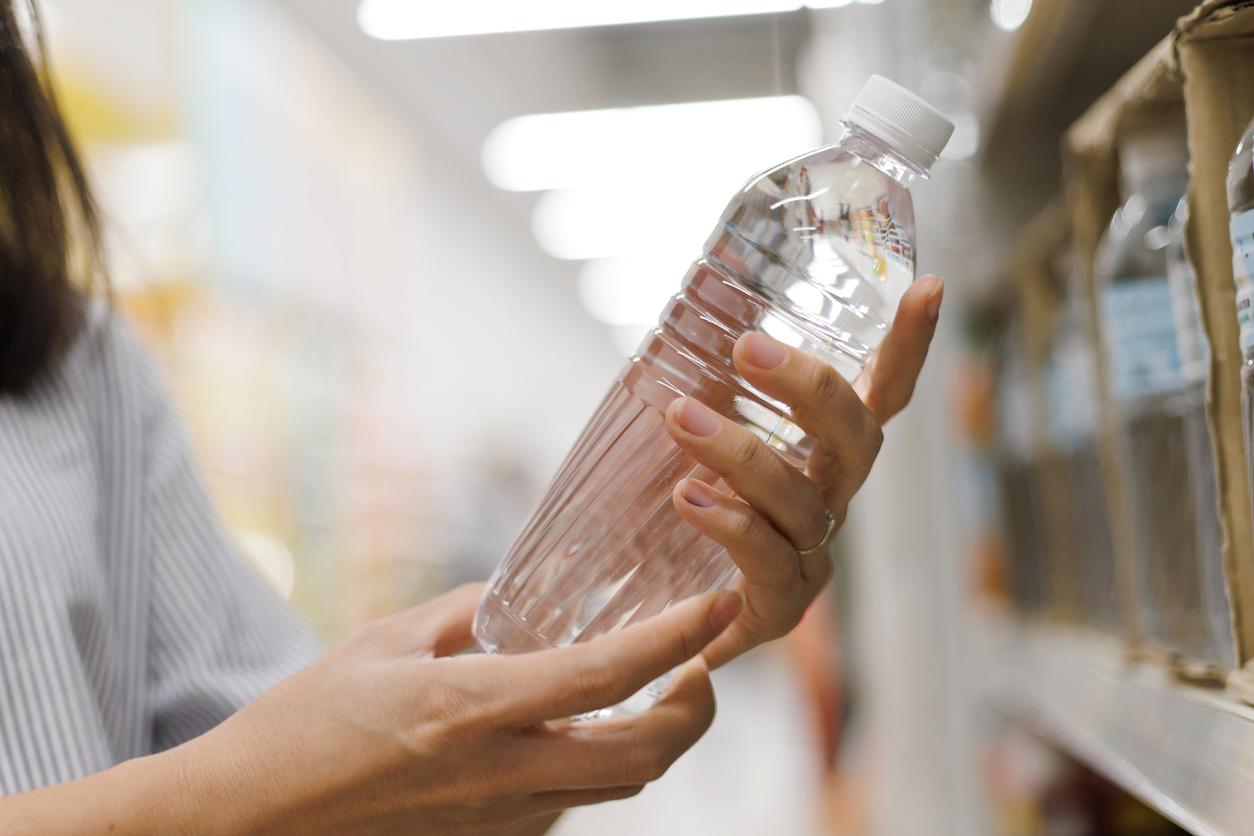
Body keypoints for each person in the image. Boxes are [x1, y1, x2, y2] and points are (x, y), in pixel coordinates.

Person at [0, 1, 942, 832]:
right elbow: (254, 788)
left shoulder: (78, 369)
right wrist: (231, 799)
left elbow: (341, 802)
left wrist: (599, 621)